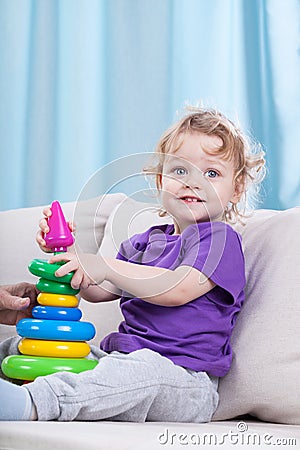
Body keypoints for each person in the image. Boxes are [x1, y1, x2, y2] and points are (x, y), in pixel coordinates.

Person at [0, 106, 265, 422]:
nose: (193, 182)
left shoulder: (220, 240)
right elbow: (99, 289)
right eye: (180, 171)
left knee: (140, 372)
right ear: (159, 180)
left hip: (183, 379)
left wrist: (106, 266)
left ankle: (30, 404)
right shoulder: (145, 242)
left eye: (211, 173)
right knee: (26, 345)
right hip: (121, 361)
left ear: (236, 190)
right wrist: (73, 258)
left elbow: (177, 288)